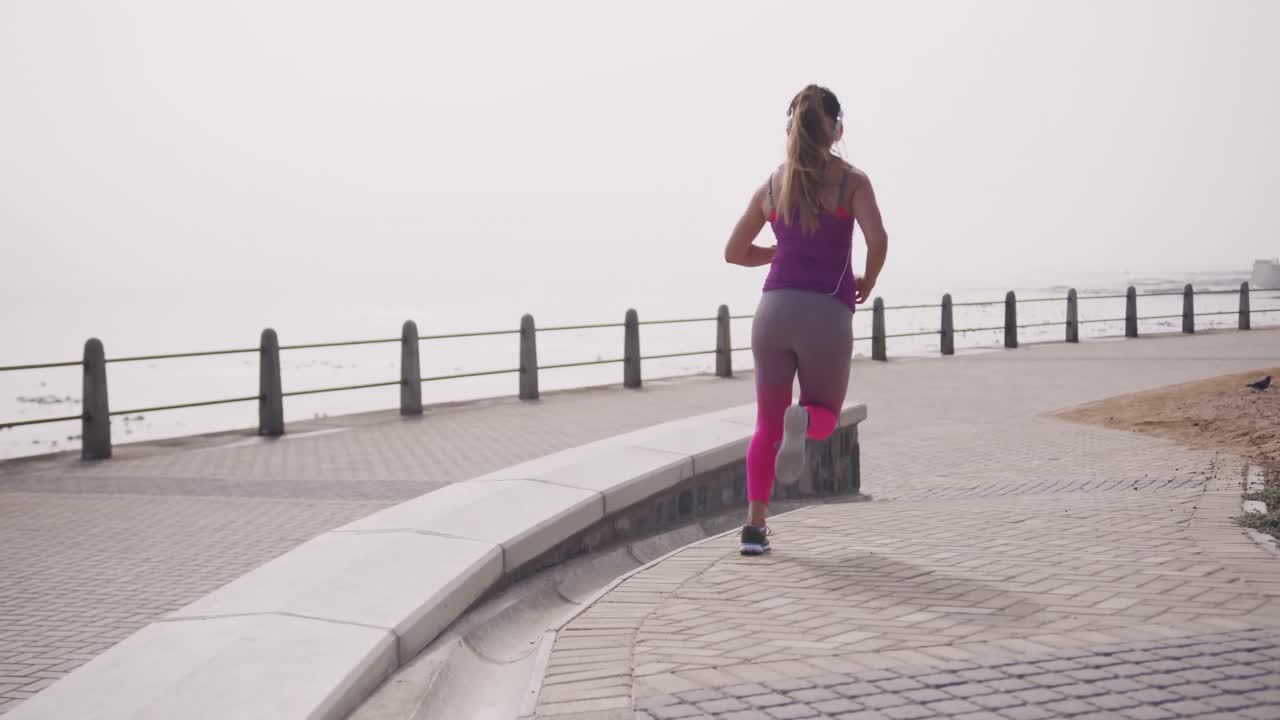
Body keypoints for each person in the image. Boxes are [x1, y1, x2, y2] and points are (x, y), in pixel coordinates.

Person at [723, 84, 889, 555]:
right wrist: (868, 280)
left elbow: (734, 252)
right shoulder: (852, 182)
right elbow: (878, 240)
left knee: (765, 426)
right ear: (838, 130)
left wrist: (778, 251)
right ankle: (804, 419)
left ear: (791, 130)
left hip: (774, 312)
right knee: (825, 416)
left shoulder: (772, 186)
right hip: (826, 313)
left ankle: (754, 528)